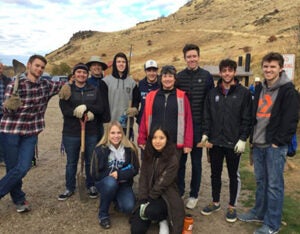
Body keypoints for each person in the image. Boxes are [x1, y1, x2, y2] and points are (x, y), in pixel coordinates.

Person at [238, 52, 299, 234]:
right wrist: (251, 139)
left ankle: (272, 224)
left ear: (281, 68)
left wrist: (277, 142)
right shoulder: (259, 88)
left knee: (274, 186)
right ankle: (259, 212)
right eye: (266, 66)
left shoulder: (288, 91)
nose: (269, 70)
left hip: (274, 146)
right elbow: (255, 115)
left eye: (273, 66)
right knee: (261, 182)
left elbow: (291, 121)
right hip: (258, 144)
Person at [0, 55, 62, 212]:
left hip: (30, 132)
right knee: (13, 168)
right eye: (37, 66)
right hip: (11, 131)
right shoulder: (15, 84)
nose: (39, 69)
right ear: (29, 65)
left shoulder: (45, 84)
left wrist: (69, 85)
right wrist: (9, 105)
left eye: (42, 67)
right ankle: (19, 199)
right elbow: (5, 109)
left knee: (23, 166)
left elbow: (61, 84)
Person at [199, 59, 252, 222]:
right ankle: (215, 202)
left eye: (230, 70)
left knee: (232, 175)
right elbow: (207, 115)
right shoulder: (213, 93)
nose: (227, 73)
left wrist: (243, 138)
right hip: (215, 142)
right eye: (224, 70)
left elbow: (247, 118)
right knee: (215, 174)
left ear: (234, 72)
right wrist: (206, 134)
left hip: (234, 143)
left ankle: (232, 206)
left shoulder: (244, 93)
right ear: (220, 73)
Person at [58, 63, 107, 201]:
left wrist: (89, 109)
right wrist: (77, 113)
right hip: (71, 132)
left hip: (90, 131)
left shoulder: (94, 89)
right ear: (74, 74)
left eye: (84, 73)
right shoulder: (67, 89)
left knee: (90, 160)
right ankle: (69, 187)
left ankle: (91, 185)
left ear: (87, 75)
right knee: (71, 162)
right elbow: (64, 109)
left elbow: (100, 107)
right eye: (78, 72)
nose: (81, 75)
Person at [176, 43, 214, 209]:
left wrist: (207, 130)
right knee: (180, 162)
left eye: (194, 56)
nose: (191, 59)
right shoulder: (179, 77)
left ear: (198, 57)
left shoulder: (206, 76)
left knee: (197, 163)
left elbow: (210, 103)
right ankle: (180, 190)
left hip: (199, 126)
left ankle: (194, 194)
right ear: (185, 59)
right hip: (182, 127)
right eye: (188, 57)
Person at [131, 126, 185, 234]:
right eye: (154, 138)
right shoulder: (148, 153)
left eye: (161, 138)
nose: (157, 141)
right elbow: (143, 178)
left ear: (167, 139)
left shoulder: (173, 158)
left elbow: (163, 182)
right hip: (148, 194)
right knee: (136, 230)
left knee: (151, 210)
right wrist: (142, 198)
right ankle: (152, 215)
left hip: (166, 195)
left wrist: (150, 199)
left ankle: (163, 219)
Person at [90, 121, 139, 229]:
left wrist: (120, 174)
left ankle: (115, 199)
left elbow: (135, 169)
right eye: (112, 133)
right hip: (105, 183)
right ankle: (103, 214)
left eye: (119, 132)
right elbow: (95, 174)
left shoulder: (129, 149)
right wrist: (111, 174)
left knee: (129, 207)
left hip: (123, 184)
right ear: (107, 134)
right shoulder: (100, 150)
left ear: (122, 133)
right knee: (111, 184)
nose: (116, 136)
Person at [138, 65, 193, 159]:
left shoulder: (182, 96)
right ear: (161, 78)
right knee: (154, 171)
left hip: (174, 144)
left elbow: (188, 121)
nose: (167, 79)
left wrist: (188, 143)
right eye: (165, 76)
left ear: (175, 79)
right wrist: (141, 139)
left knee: (174, 172)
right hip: (155, 142)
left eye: (170, 76)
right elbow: (144, 119)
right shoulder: (151, 96)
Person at [103, 52, 140, 140]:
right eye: (118, 62)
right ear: (115, 64)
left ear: (126, 64)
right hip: (111, 123)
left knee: (125, 151)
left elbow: (136, 100)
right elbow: (103, 103)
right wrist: (105, 121)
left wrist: (134, 108)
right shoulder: (105, 82)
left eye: (123, 62)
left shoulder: (132, 83)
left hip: (126, 125)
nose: (121, 64)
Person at [86, 55, 110, 140]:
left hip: (105, 121)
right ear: (90, 68)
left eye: (99, 65)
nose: (97, 67)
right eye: (94, 65)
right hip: (90, 121)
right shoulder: (86, 82)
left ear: (102, 68)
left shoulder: (107, 82)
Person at [136, 59, 160, 126]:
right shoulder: (140, 84)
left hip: (158, 122)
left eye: (154, 71)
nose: (152, 73)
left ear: (157, 71)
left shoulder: (162, 84)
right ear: (145, 71)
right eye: (149, 70)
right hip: (143, 121)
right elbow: (136, 100)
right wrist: (135, 110)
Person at [0, 62, 11, 166]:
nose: (0, 70)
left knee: (3, 136)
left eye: (1, 68)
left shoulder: (7, 80)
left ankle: (2, 159)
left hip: (4, 113)